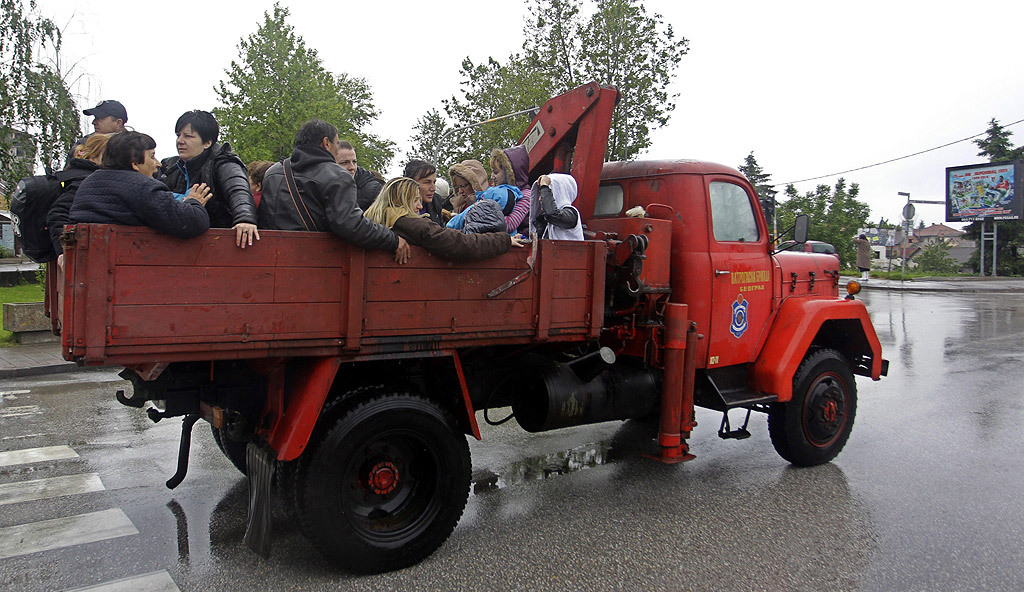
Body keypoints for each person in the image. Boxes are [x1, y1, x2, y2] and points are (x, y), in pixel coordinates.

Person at [258, 119, 410, 264]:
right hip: (314, 262)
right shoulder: (337, 175)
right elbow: (351, 225)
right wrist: (393, 240)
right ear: (326, 143)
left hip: (266, 258)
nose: (337, 151)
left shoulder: (273, 172)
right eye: (336, 144)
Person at [70, 131, 212, 238]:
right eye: (151, 156)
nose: (158, 164)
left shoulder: (88, 182)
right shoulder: (142, 188)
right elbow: (192, 223)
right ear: (135, 163)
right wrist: (193, 202)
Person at [160, 110, 259, 248]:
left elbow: (238, 190)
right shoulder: (169, 167)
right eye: (178, 135)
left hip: (218, 246)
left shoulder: (224, 164)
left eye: (188, 136)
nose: (180, 141)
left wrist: (245, 218)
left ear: (207, 142)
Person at [364, 177, 524, 261]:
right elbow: (459, 244)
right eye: (415, 201)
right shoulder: (410, 224)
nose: (420, 207)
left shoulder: (377, 221)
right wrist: (504, 241)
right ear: (401, 202)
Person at [48, 133, 113, 268]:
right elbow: (58, 213)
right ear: (94, 156)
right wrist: (64, 252)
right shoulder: (84, 180)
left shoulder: (75, 174)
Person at [529, 173, 583, 241]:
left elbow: (552, 214)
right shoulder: (543, 220)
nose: (540, 199)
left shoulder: (572, 214)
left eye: (548, 192)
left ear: (560, 192)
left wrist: (544, 186)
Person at [490, 147, 531, 234]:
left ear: (509, 173)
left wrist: (483, 217)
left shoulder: (526, 195)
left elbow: (509, 224)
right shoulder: (501, 194)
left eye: (496, 172)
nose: (492, 177)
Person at [335, 141, 384, 210]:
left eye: (354, 162)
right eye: (345, 163)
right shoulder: (322, 186)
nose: (352, 167)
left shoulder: (373, 192)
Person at [403, 159, 442, 225]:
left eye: (434, 182)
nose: (433, 188)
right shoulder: (396, 206)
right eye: (427, 182)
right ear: (409, 183)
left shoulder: (436, 201)